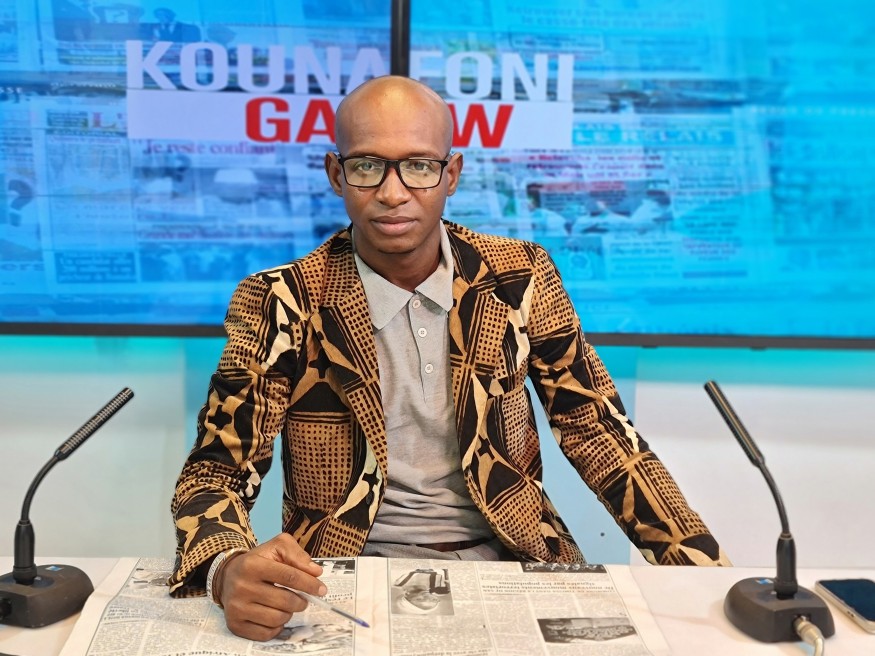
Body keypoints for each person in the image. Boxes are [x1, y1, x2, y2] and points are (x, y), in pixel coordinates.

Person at [168, 75, 730, 641]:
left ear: (451, 174)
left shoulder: (518, 277)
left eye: (419, 166)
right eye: (367, 166)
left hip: (511, 562)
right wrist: (225, 567)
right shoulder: (281, 299)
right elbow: (218, 467)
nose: (392, 192)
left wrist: (702, 574)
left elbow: (598, 430)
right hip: (344, 577)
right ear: (336, 174)